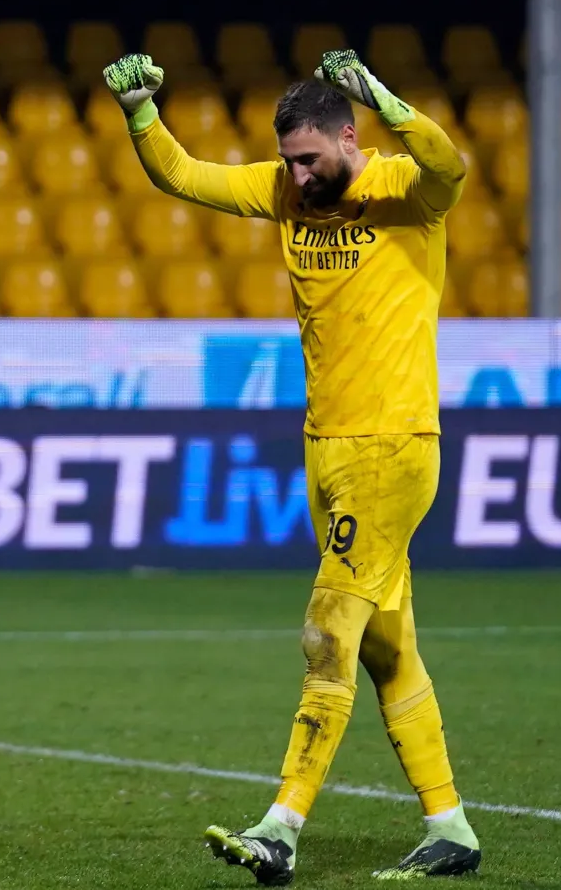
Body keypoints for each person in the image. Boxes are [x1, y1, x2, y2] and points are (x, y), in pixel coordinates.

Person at [102, 50, 480, 883]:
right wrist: (141, 113)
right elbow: (182, 175)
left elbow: (451, 166)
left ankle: (281, 827)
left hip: (392, 445)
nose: (299, 176)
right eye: (289, 161)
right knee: (386, 648)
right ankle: (449, 825)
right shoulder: (285, 191)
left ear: (349, 137)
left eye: (310, 158)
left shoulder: (404, 190)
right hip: (327, 447)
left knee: (326, 631)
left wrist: (386, 99)